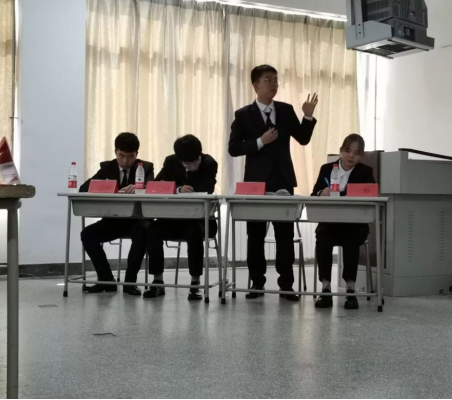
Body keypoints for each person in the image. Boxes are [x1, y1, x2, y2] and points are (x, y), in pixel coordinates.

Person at [228, 64, 319, 302]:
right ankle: (257, 283)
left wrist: (308, 116)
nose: (274, 84)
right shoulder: (243, 114)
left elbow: (303, 138)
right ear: (256, 85)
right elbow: (234, 148)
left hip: (282, 180)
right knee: (255, 236)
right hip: (255, 183)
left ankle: (286, 285)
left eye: (276, 80)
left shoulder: (286, 110)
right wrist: (260, 141)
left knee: (284, 235)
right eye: (268, 80)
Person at [143, 135, 218, 302]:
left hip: (200, 220)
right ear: (179, 159)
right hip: (173, 218)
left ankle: (195, 283)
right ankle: (157, 281)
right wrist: (177, 189)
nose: (192, 167)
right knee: (153, 230)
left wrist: (189, 187)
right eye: (187, 164)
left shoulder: (209, 162)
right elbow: (156, 185)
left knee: (193, 232)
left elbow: (208, 187)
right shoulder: (171, 161)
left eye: (195, 162)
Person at [80, 133, 154, 296]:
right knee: (87, 234)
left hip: (137, 220)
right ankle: (106, 280)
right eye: (121, 155)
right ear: (115, 152)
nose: (125, 161)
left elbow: (153, 187)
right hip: (113, 220)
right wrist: (105, 187)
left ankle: (130, 283)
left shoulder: (146, 167)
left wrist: (142, 187)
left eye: (130, 156)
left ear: (137, 154)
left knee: (143, 232)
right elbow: (84, 188)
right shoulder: (107, 167)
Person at [311, 134, 376, 310]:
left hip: (354, 225)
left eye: (356, 153)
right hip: (330, 223)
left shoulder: (365, 172)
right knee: (322, 235)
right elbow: (314, 194)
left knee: (351, 237)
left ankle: (350, 289)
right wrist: (321, 193)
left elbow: (372, 196)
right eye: (348, 151)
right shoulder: (327, 169)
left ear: (361, 156)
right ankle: (325, 288)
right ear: (341, 151)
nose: (351, 156)